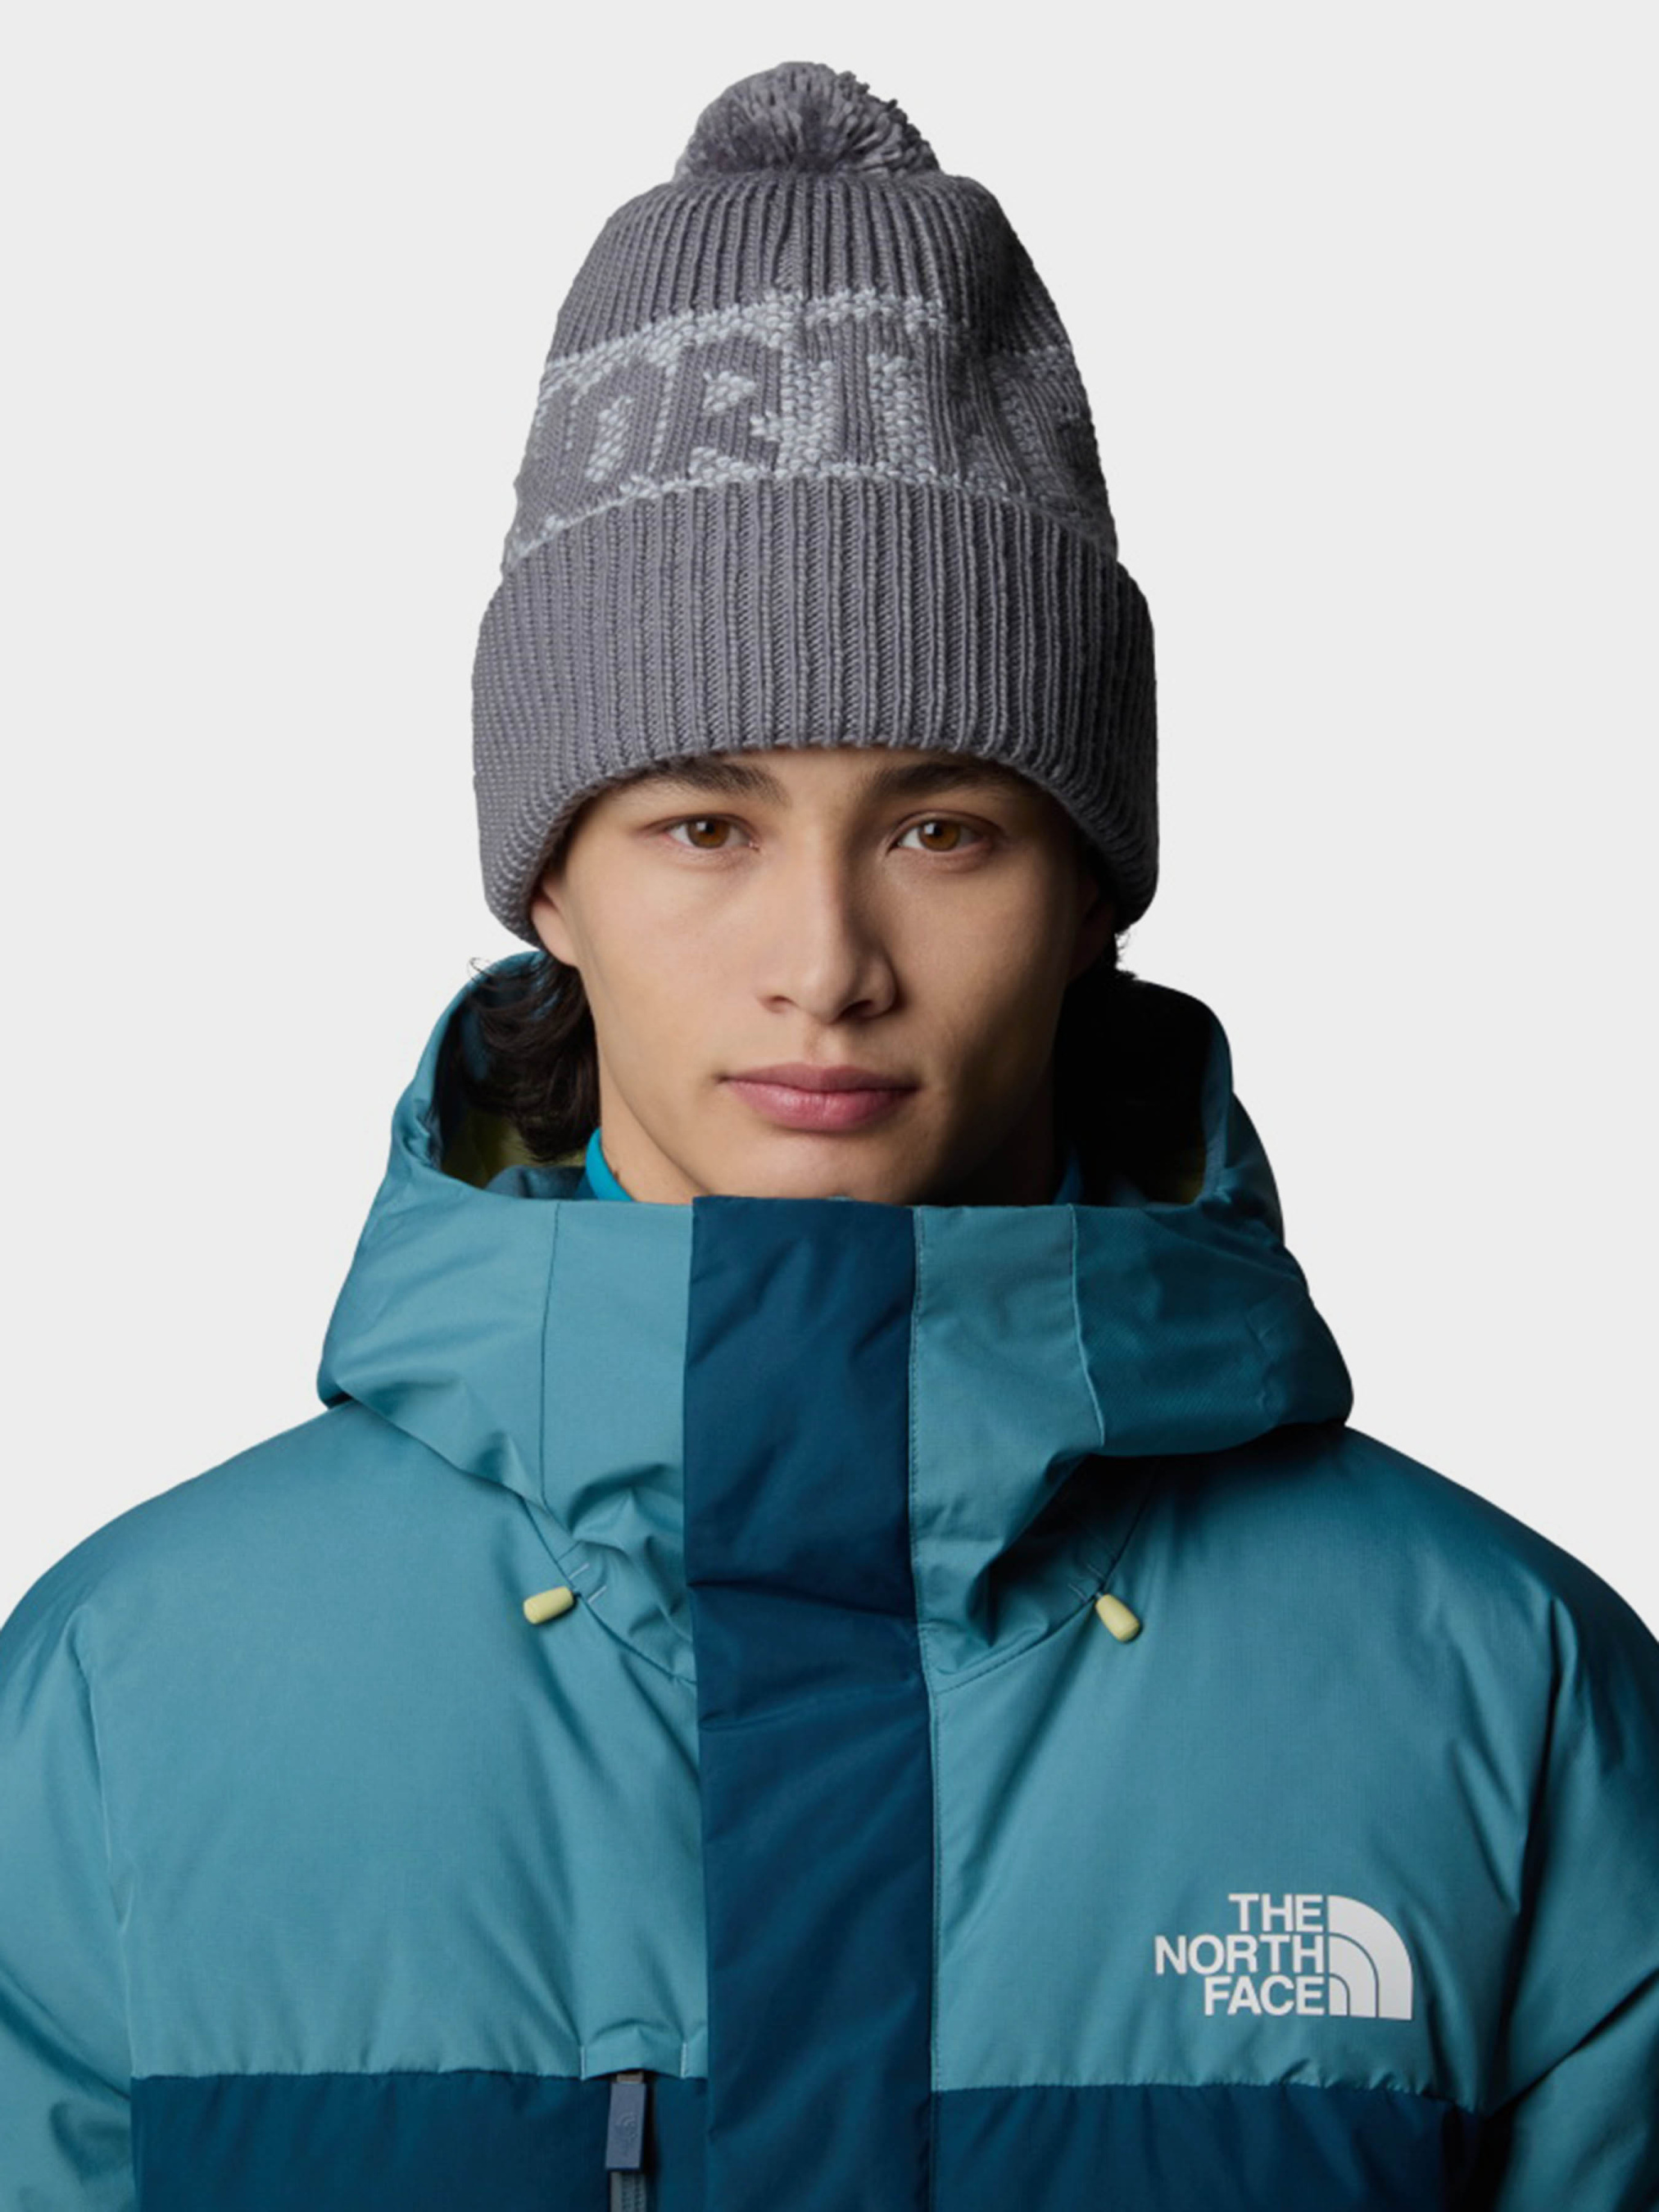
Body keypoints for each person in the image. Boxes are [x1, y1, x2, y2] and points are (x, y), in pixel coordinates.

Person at [2, 56, 1655, 2212]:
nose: (826, 961)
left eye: (942, 827)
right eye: (706, 825)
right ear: (548, 884)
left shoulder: (1503, 1694)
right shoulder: (129, 1697)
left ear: (1089, 894)